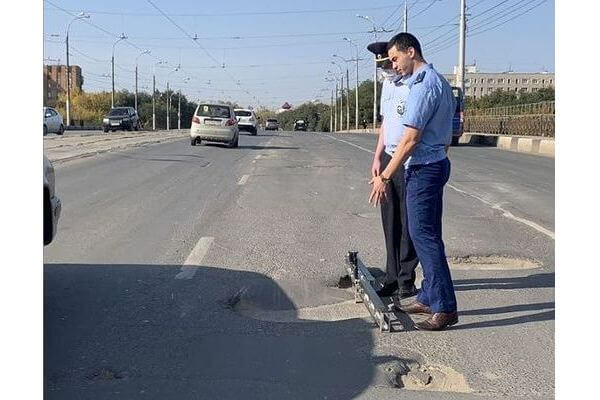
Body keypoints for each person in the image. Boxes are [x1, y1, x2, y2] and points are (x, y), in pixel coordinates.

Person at [369, 33, 458, 331]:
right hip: (432, 164)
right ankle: (428, 297)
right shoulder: (436, 81)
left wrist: (384, 175)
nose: (393, 65)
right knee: (426, 235)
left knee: (424, 238)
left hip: (423, 169)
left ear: (411, 51)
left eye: (395, 58)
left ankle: (445, 307)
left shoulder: (424, 85)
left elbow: (410, 139)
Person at [366, 41, 419, 300]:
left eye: (389, 64)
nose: (388, 70)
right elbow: (386, 122)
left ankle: (406, 279)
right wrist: (377, 157)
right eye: (383, 67)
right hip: (388, 157)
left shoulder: (414, 85)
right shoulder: (388, 84)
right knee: (390, 219)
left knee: (408, 221)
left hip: (408, 160)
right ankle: (391, 275)